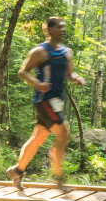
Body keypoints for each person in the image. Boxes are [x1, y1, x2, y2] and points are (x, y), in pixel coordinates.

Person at [6, 17, 84, 190]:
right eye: (59, 27)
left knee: (38, 138)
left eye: (64, 27)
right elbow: (23, 72)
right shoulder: (40, 52)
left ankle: (17, 170)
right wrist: (38, 84)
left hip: (56, 101)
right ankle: (57, 177)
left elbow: (69, 74)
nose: (63, 30)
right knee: (63, 134)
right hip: (44, 101)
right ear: (49, 30)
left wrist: (76, 79)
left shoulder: (67, 52)